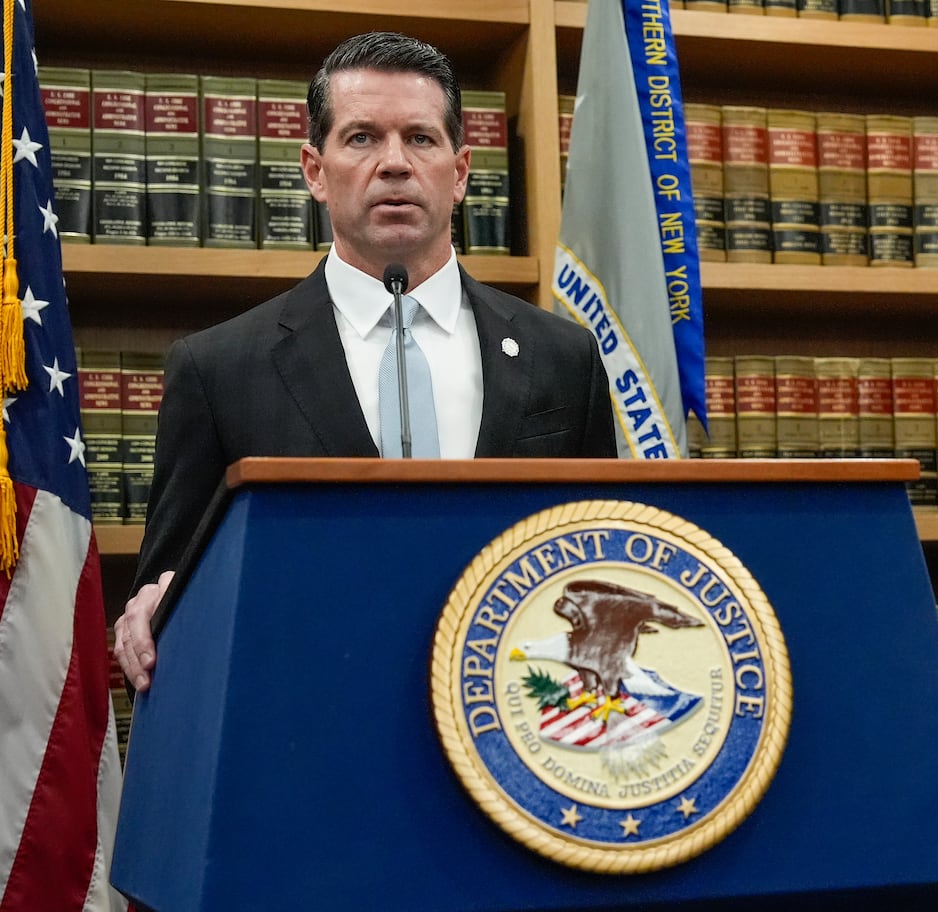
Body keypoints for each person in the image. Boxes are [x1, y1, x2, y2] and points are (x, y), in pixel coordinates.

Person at [114, 32, 616, 692]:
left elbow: (603, 557)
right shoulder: (219, 369)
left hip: (519, 712)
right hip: (310, 711)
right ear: (314, 172)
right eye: (361, 138)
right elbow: (174, 585)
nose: (395, 163)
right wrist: (153, 608)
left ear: (461, 172)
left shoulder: (564, 356)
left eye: (421, 138)